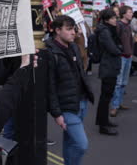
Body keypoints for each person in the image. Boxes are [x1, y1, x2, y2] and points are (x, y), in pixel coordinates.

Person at [46, 15, 94, 165]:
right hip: (66, 107)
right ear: (57, 30)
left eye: (74, 29)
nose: (73, 32)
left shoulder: (73, 46)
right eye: (69, 29)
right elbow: (50, 86)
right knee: (81, 144)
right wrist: (57, 113)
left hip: (81, 101)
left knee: (70, 141)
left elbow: (80, 73)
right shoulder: (49, 52)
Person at [95, 9, 121, 136]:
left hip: (110, 66)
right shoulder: (105, 31)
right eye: (113, 18)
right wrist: (120, 49)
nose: (115, 20)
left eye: (115, 17)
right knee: (105, 97)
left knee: (107, 96)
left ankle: (104, 121)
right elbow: (112, 48)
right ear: (106, 20)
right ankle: (102, 125)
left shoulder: (108, 30)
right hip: (108, 66)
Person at [110, 5, 134, 117]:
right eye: (129, 12)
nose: (131, 14)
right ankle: (114, 106)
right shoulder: (119, 25)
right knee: (118, 83)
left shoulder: (128, 26)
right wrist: (120, 51)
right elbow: (114, 40)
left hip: (128, 56)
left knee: (124, 82)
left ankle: (119, 103)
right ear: (124, 14)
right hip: (122, 56)